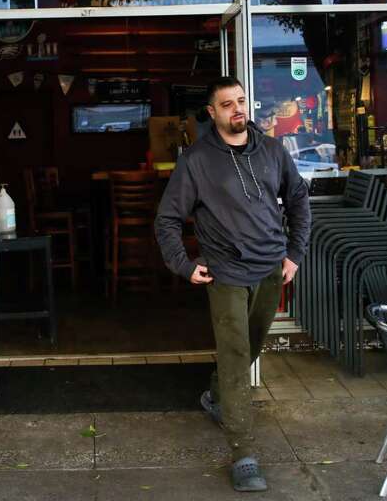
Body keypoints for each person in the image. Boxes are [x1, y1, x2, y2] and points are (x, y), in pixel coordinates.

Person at [155, 76, 311, 493]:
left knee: (250, 346)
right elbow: (167, 218)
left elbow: (297, 199)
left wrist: (294, 253)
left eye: (241, 101)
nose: (237, 109)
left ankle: (215, 395)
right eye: (227, 104)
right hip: (224, 273)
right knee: (237, 353)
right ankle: (243, 451)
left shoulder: (273, 151)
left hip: (269, 270)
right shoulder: (197, 160)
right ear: (212, 113)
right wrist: (182, 264)